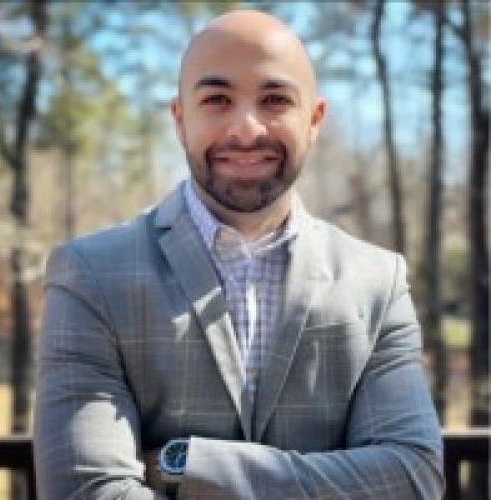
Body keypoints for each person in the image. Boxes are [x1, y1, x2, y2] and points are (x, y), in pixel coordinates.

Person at [34, 9, 444, 500]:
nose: (247, 129)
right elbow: (86, 492)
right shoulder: (90, 275)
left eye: (275, 100)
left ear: (314, 119)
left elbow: (414, 476)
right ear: (180, 119)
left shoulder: (378, 280)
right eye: (217, 100)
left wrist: (186, 462)